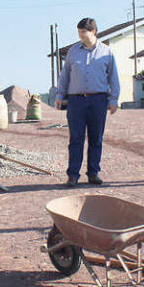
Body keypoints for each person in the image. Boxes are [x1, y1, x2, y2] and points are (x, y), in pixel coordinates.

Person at [54, 18, 120, 187]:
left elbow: (113, 77)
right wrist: (60, 95)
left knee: (96, 138)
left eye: (84, 32)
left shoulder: (106, 52)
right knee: (75, 138)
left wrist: (113, 100)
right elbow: (65, 75)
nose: (81, 36)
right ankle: (73, 175)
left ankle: (93, 173)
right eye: (79, 32)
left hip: (98, 100)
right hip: (76, 100)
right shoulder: (73, 52)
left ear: (94, 32)